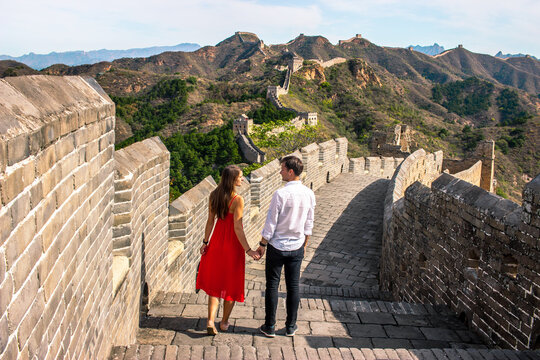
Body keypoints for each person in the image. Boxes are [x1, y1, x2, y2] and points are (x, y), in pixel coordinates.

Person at [196, 165, 260, 336]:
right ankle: (223, 322)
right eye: (240, 176)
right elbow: (238, 228)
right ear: (232, 179)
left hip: (216, 243)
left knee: (215, 285)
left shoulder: (214, 195)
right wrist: (248, 250)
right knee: (231, 284)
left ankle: (210, 320)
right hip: (232, 246)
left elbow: (210, 221)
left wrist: (205, 242)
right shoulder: (237, 199)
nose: (242, 178)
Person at [256, 156, 316, 337]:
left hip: (277, 246)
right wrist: (304, 245)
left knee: (272, 286)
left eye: (282, 169)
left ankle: (270, 326)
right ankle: (291, 326)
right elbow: (309, 224)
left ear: (291, 171)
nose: (280, 172)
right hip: (296, 247)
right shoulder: (309, 194)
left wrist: (262, 245)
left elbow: (271, 224)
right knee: (293, 287)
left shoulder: (280, 194)